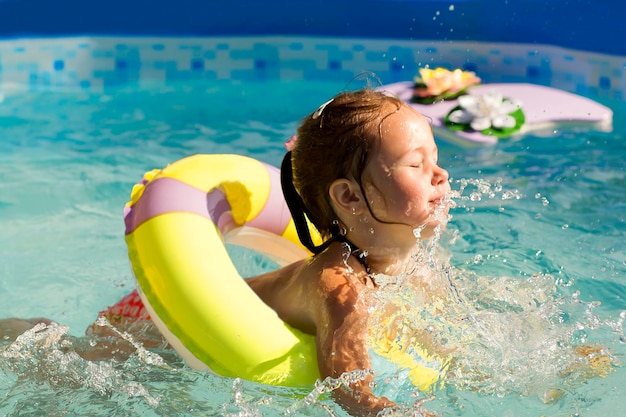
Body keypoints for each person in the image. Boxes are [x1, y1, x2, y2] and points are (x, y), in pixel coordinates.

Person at [247, 88, 451, 415]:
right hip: (157, 327)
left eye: (435, 158)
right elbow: (348, 390)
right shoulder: (340, 288)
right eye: (415, 164)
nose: (441, 175)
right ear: (350, 197)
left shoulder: (418, 262)